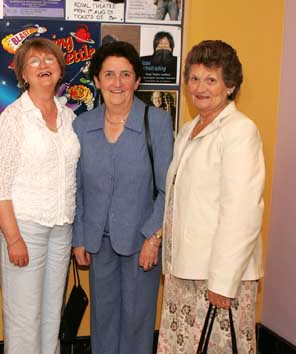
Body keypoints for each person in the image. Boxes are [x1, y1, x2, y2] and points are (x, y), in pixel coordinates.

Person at [157, 40, 264, 354]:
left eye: (211, 79)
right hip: (185, 271)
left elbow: (242, 211)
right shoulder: (189, 130)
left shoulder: (240, 132)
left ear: (230, 86)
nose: (200, 87)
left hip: (217, 278)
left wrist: (223, 281)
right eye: (194, 78)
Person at [72, 41, 173, 354]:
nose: (117, 83)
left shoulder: (155, 122)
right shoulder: (82, 125)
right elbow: (75, 189)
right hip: (98, 244)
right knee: (102, 320)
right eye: (109, 74)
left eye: (125, 74)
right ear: (98, 80)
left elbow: (167, 188)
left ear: (137, 80)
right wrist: (79, 239)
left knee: (136, 321)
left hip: (140, 243)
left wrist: (152, 238)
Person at [0, 37, 80, 354]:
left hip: (61, 227)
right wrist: (13, 238)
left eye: (49, 59)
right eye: (34, 61)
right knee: (24, 321)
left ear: (60, 68)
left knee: (51, 317)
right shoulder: (14, 118)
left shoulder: (69, 118)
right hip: (23, 228)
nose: (43, 66)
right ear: (23, 73)